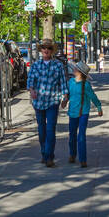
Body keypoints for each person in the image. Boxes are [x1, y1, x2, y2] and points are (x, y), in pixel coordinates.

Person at [27, 39, 69, 167]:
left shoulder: (58, 66)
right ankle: (44, 152)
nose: (46, 50)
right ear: (40, 50)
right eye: (44, 48)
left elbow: (63, 82)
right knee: (41, 129)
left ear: (52, 51)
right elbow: (30, 81)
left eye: (49, 48)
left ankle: (49, 156)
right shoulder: (35, 65)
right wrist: (32, 90)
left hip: (52, 101)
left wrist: (65, 97)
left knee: (51, 129)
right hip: (38, 101)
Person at [63, 60, 103, 167]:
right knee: (72, 135)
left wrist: (98, 106)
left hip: (83, 112)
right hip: (72, 112)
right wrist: (64, 99)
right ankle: (72, 154)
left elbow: (92, 96)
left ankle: (83, 159)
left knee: (81, 136)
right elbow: (67, 93)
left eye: (76, 69)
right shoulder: (70, 82)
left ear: (80, 72)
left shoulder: (86, 85)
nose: (74, 69)